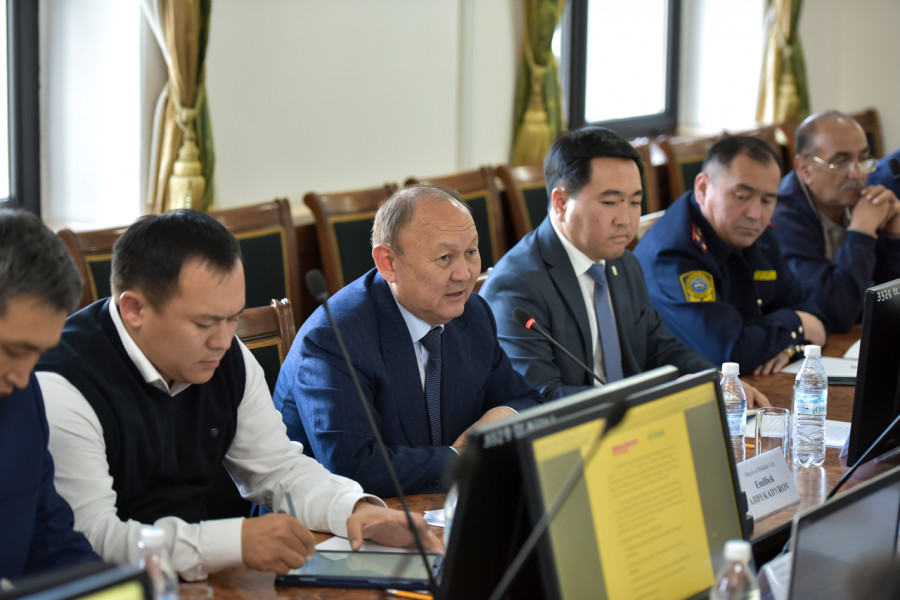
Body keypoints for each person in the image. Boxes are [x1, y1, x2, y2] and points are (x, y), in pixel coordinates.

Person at [36, 210, 439, 582]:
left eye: (233, 318)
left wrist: (356, 510)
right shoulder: (63, 385)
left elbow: (277, 470)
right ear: (134, 310)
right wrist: (235, 541)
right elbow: (94, 540)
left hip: (204, 581)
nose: (223, 340)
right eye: (204, 323)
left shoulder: (226, 355)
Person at [274, 185, 543, 497]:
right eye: (445, 257)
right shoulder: (334, 338)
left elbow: (527, 402)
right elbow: (354, 466)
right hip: (323, 520)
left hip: (435, 506)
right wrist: (463, 459)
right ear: (388, 263)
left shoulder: (473, 314)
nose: (465, 274)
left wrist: (504, 417)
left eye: (471, 252)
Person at [479, 126, 767, 407]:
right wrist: (644, 398)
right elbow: (539, 398)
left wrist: (715, 380)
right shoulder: (517, 286)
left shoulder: (623, 262)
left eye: (634, 202)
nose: (626, 220)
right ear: (561, 202)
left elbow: (659, 346)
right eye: (610, 202)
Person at [634, 136, 827, 375]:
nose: (755, 213)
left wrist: (790, 349)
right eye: (741, 196)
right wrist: (796, 324)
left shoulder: (756, 234)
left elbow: (814, 315)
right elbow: (727, 353)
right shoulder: (673, 254)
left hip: (750, 383)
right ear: (703, 189)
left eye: (768, 200)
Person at [0, 209, 100, 580]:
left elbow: (48, 533)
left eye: (37, 353)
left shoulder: (22, 398)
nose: (24, 376)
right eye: (13, 350)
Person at [772, 112, 900, 332]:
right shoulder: (780, 218)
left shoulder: (865, 200)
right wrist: (861, 233)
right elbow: (835, 314)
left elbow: (888, 300)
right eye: (840, 162)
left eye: (863, 159)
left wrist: (894, 237)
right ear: (805, 169)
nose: (857, 174)